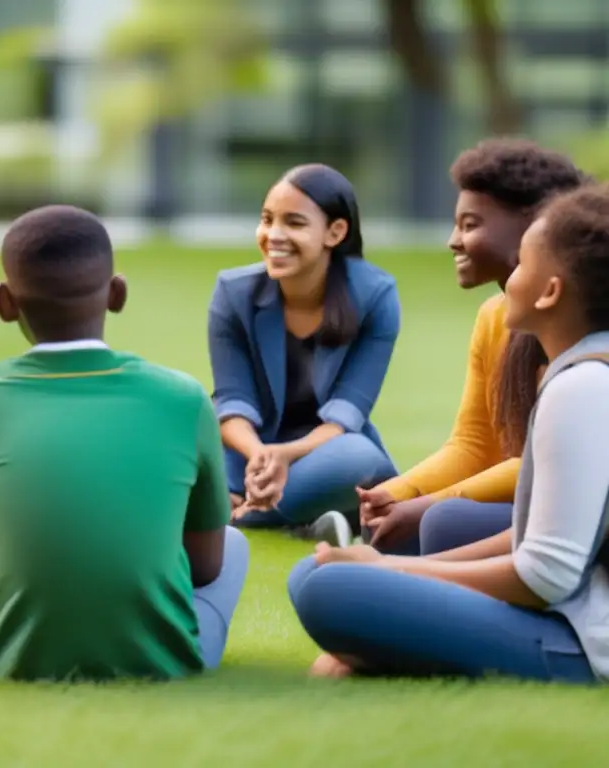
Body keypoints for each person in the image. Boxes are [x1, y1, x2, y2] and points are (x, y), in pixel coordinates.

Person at [0, 205, 249, 682]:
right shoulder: (185, 398)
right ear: (117, 294)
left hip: (14, 662)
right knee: (233, 541)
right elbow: (207, 567)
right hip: (168, 661)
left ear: (5, 303)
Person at [288, 182, 609, 684]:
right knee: (324, 576)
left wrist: (390, 571)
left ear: (551, 292)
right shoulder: (583, 374)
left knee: (324, 590)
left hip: (581, 644)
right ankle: (383, 647)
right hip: (572, 615)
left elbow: (545, 575)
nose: (512, 277)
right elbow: (535, 542)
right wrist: (387, 566)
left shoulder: (583, 388)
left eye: (522, 264)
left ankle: (381, 652)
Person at [358, 139, 588, 555]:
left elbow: (540, 464)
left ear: (534, 227)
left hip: (567, 513)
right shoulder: (493, 317)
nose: (453, 241)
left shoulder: (577, 327)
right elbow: (472, 445)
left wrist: (430, 504)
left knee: (444, 523)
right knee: (394, 529)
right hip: (516, 503)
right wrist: (399, 492)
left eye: (470, 225)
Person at [208, 163, 400, 547]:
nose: (274, 235)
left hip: (330, 452)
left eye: (294, 223)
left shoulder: (376, 296)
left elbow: (349, 411)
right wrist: (261, 456)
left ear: (335, 232)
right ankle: (300, 516)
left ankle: (239, 516)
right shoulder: (233, 293)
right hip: (247, 459)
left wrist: (287, 455)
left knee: (359, 459)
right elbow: (232, 402)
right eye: (267, 220)